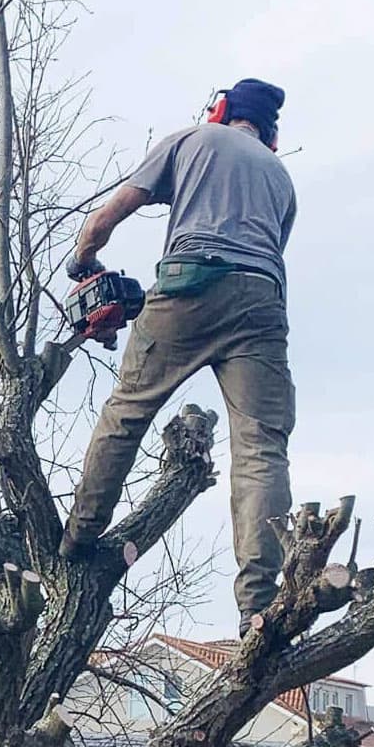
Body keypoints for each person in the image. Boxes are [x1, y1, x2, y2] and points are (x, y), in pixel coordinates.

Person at [60, 77, 297, 636]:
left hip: (191, 282)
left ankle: (78, 537)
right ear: (272, 133)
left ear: (220, 111)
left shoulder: (190, 139)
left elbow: (107, 216)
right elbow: (267, 251)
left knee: (129, 411)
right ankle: (257, 605)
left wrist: (84, 258)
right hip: (262, 301)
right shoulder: (281, 178)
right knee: (261, 447)